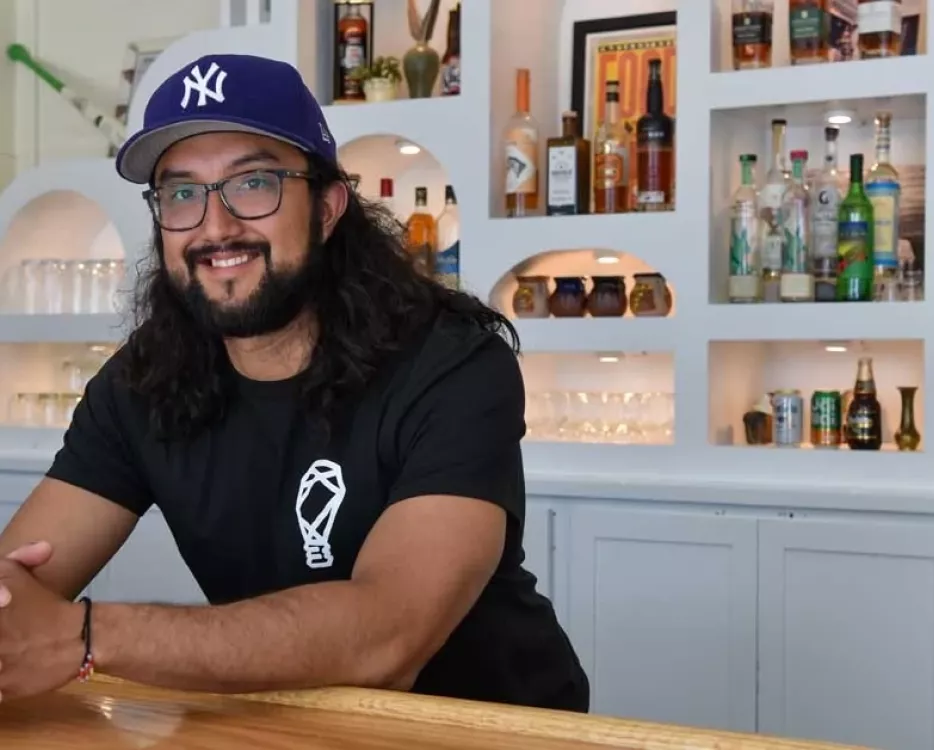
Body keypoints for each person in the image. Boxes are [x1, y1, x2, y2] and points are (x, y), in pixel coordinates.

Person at [0, 53, 589, 710]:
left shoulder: (451, 365)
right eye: (182, 193)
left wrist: (86, 636)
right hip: (285, 719)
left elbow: (388, 638)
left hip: (490, 728)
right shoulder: (142, 382)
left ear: (329, 207)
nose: (215, 227)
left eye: (253, 184)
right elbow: (20, 582)